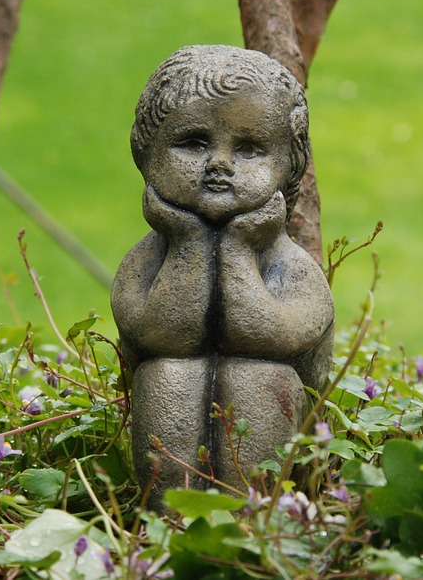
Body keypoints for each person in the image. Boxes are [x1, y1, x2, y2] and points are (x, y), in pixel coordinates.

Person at [111, 45, 334, 509]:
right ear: (147, 152)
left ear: (289, 165)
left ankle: (250, 521)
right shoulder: (146, 260)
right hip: (170, 408)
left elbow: (268, 335)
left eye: (250, 149)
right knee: (165, 375)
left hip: (268, 413)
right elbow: (163, 334)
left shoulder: (292, 266)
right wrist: (189, 241)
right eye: (193, 143)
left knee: (261, 378)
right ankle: (171, 520)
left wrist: (237, 249)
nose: (219, 164)